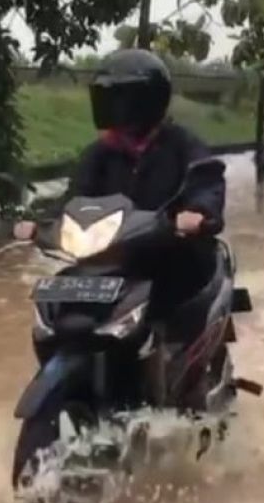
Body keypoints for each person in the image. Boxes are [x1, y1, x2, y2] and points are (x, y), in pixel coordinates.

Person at [15, 48, 224, 323]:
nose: (114, 109)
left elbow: (206, 181)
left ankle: (167, 354)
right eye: (108, 100)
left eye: (122, 100)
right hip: (110, 259)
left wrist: (198, 212)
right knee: (60, 296)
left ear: (147, 102)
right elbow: (74, 198)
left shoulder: (183, 146)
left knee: (171, 306)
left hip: (172, 256)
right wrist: (39, 223)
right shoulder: (98, 154)